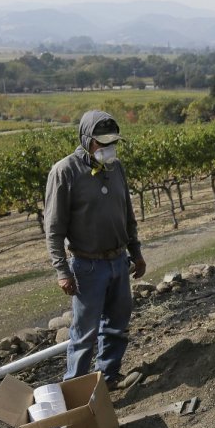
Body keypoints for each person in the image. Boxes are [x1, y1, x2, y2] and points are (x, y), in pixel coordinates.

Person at [44, 110, 146, 389]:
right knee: (84, 333)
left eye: (112, 143)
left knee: (117, 325)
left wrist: (135, 252)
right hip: (87, 266)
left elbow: (127, 214)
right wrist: (62, 271)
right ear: (87, 140)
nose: (108, 149)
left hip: (118, 261)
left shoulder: (116, 168)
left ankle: (109, 377)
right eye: (102, 143)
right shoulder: (65, 172)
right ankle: (76, 390)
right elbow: (53, 229)